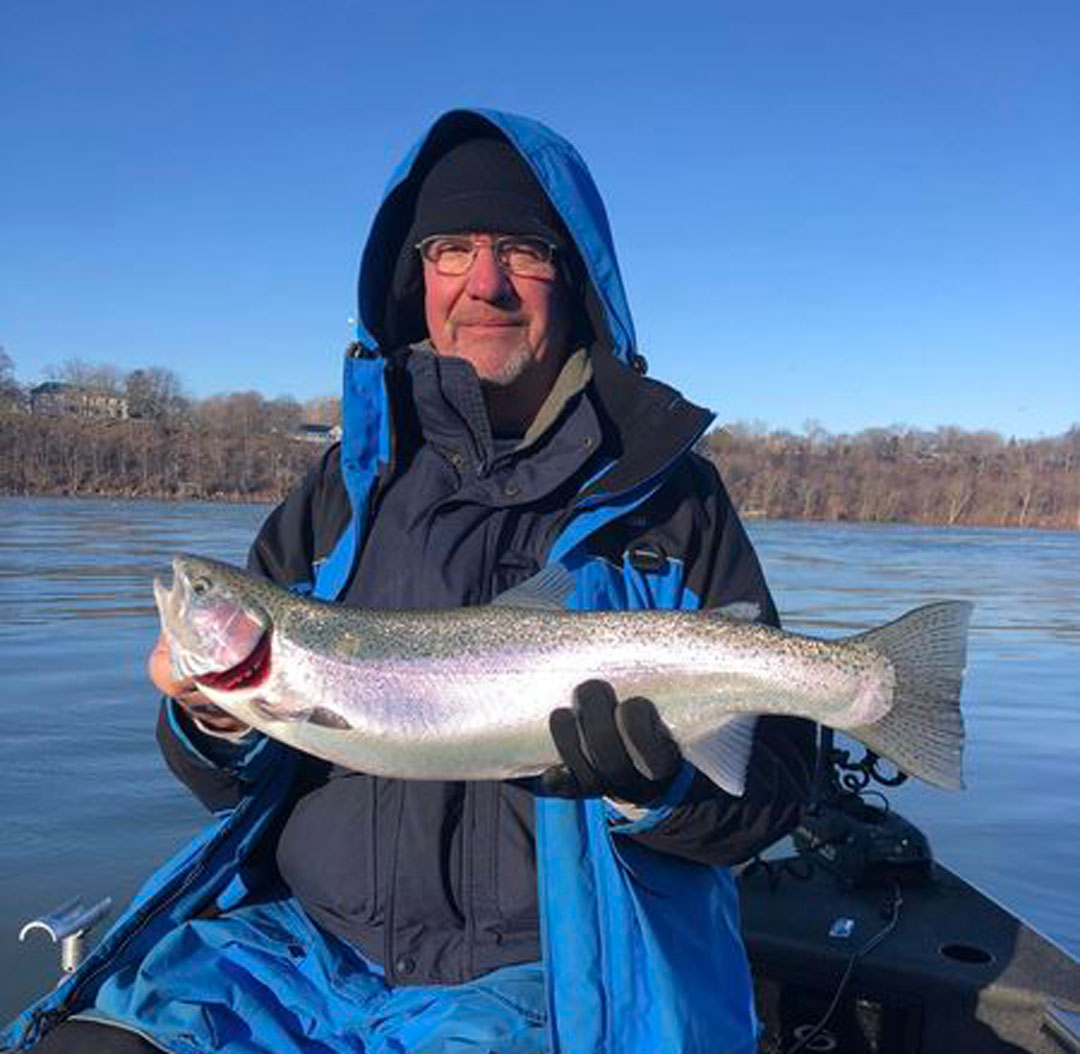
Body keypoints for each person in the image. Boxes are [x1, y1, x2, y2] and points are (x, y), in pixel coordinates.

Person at [9, 108, 815, 1054]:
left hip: (555, 979)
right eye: (450, 249)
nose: (485, 282)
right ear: (414, 277)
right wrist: (215, 720)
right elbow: (229, 787)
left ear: (580, 279)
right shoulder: (343, 487)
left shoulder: (672, 502)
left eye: (524, 248)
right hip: (289, 954)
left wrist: (661, 787)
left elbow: (778, 789)